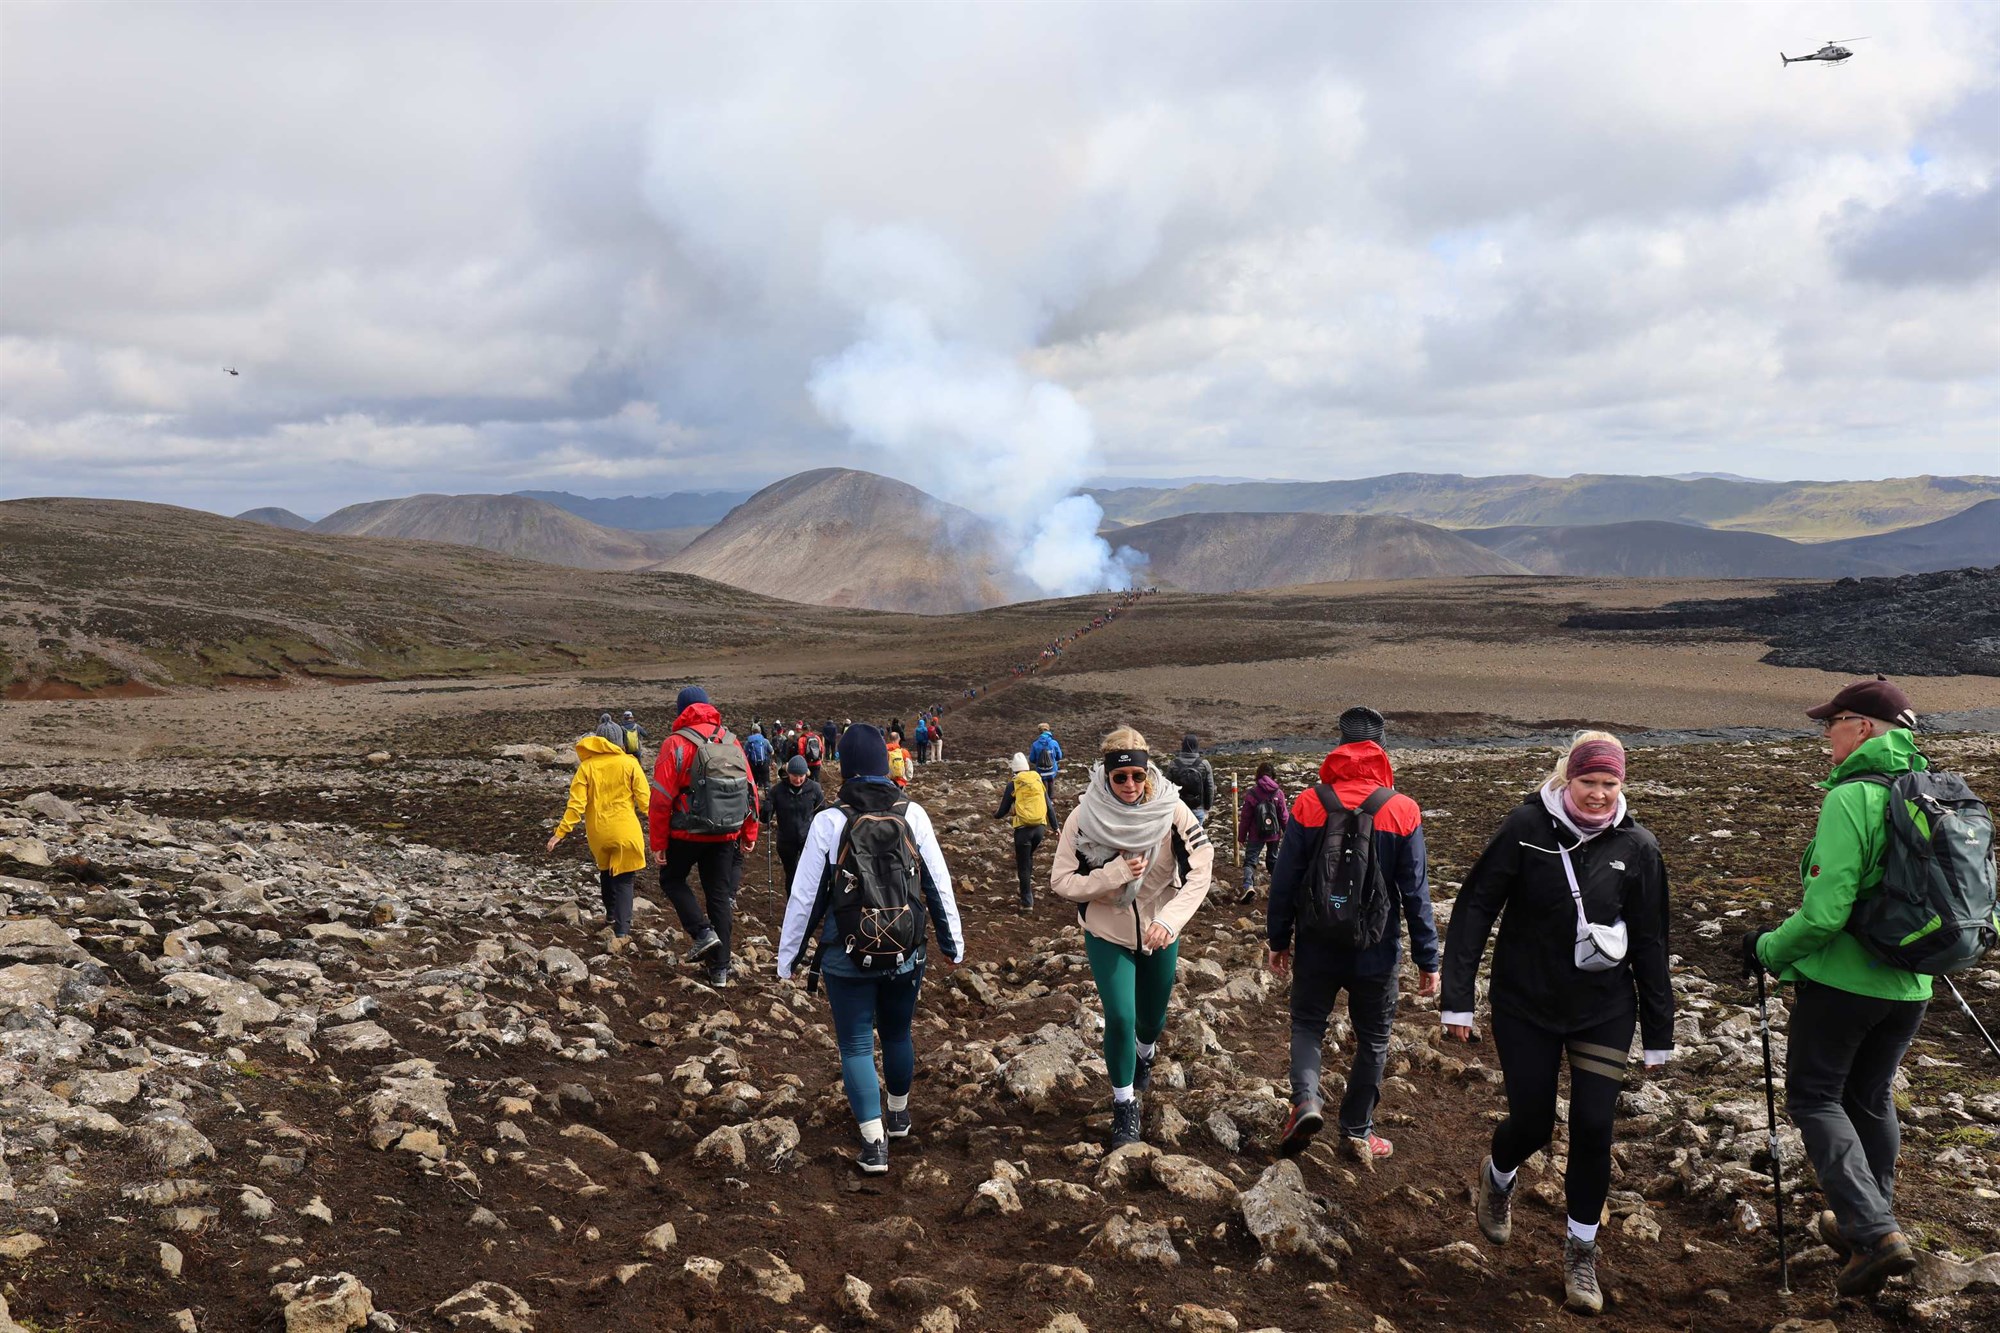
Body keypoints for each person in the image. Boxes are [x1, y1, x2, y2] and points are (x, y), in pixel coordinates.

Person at [1440, 731, 1674, 1317]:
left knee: (1595, 1128)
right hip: (1526, 1005)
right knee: (1534, 1124)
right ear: (1567, 779)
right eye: (1588, 781)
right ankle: (1498, 1175)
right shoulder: (1525, 829)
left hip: (1605, 1009)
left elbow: (1650, 940)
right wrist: (1458, 1000)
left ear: (1623, 785)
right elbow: (1475, 908)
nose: (1598, 794)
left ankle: (1580, 1253)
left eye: (1609, 783)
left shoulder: (1639, 847)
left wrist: (1660, 1032)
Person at [1742, 677, 1932, 1298]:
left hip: (1844, 983)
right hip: (1913, 985)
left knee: (1816, 1097)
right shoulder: (1935, 792)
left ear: (1863, 728)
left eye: (1833, 722)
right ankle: (1868, 1232)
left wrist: (1767, 948)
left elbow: (1825, 915)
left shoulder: (1852, 798)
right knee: (1871, 1097)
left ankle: (1875, 1233)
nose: (1826, 734)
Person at [778, 725, 964, 1174]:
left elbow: (806, 896)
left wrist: (789, 958)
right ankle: (898, 1115)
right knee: (898, 1033)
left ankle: (874, 1144)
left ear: (844, 765)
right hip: (905, 949)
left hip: (846, 953)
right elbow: (938, 883)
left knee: (857, 1045)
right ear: (885, 763)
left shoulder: (829, 819)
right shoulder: (912, 813)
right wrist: (950, 942)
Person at [1265, 723, 1436, 1167]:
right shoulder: (1403, 809)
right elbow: (1415, 892)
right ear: (1382, 752)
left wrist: (1279, 940)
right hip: (1375, 949)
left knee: (1307, 1024)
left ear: (1339, 748)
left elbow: (1284, 880)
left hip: (1318, 941)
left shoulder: (1308, 803)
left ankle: (1305, 1102)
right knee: (1374, 1038)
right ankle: (1357, 1130)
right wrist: (1427, 959)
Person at [1051, 727, 1214, 1148]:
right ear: (1106, 775)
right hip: (1108, 932)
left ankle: (1145, 1055)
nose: (1129, 785)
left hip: (1160, 931)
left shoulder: (1172, 809)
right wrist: (1115, 874)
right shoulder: (1083, 817)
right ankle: (1124, 1105)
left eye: (1137, 777)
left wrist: (1172, 920)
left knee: (1152, 1020)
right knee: (1121, 1017)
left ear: (1147, 773)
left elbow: (1203, 864)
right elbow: (1061, 880)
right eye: (1119, 777)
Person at [648, 685, 760, 987]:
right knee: (719, 897)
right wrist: (749, 833)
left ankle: (701, 932)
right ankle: (719, 970)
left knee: (671, 879)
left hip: (686, 832)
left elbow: (660, 799)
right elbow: (751, 792)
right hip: (725, 834)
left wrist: (658, 843)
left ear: (681, 711)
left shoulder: (675, 744)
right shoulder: (732, 741)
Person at [546, 725, 651, 941]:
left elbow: (576, 805)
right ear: (620, 742)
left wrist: (560, 833)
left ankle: (611, 915)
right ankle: (622, 931)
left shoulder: (586, 767)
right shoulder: (630, 763)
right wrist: (666, 826)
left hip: (599, 833)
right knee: (624, 879)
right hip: (626, 830)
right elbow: (646, 802)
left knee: (606, 871)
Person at [993, 752, 1051, 910]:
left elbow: (1003, 810)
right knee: (1029, 858)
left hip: (1023, 830)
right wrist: (1057, 827)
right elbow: (1049, 805)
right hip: (1040, 828)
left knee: (1023, 865)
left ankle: (1027, 902)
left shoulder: (1014, 783)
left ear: (1014, 770)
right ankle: (1027, 891)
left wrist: (995, 815)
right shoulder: (1037, 780)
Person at [763, 756, 825, 889]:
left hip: (807, 839)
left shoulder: (814, 788)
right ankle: (792, 903)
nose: (798, 779)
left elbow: (822, 814)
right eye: (794, 775)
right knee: (791, 873)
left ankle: (809, 905)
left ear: (806, 774)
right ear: (788, 773)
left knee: (808, 873)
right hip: (786, 841)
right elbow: (764, 819)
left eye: (801, 775)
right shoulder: (777, 790)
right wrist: (765, 808)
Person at [1236, 761, 1289, 901]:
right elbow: (1284, 816)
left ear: (1258, 775)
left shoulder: (1252, 793)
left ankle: (1248, 886)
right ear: (1273, 775)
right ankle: (1280, 887)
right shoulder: (1278, 793)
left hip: (1256, 833)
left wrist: (1241, 837)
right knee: (1273, 860)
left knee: (1250, 861)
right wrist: (1289, 833)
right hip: (1274, 833)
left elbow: (1246, 817)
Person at [1165, 733, 1218, 827]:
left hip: (1178, 810)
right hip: (1198, 809)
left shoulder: (1173, 764)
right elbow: (1210, 788)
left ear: (1183, 746)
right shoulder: (1204, 764)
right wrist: (1207, 808)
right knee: (1196, 839)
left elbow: (1167, 788)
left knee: (1178, 839)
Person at [1029, 723, 1063, 816]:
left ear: (1039, 731)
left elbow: (1032, 759)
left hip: (1040, 770)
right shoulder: (1054, 743)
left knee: (1043, 783)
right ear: (1048, 730)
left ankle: (1045, 800)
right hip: (1052, 769)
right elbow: (1059, 756)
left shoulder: (1035, 744)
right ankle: (1051, 799)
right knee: (1051, 780)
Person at [744, 724, 773, 789]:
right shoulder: (765, 741)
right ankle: (768, 795)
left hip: (753, 766)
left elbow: (744, 754)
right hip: (764, 765)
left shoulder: (748, 742)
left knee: (753, 782)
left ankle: (753, 797)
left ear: (752, 732)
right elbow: (771, 751)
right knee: (766, 782)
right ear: (760, 731)